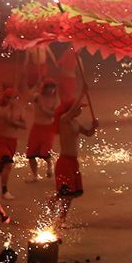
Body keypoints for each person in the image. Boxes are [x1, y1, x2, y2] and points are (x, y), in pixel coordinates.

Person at [48, 84, 98, 228]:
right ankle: (60, 221)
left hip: (73, 162)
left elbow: (88, 133)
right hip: (64, 162)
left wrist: (94, 126)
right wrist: (82, 93)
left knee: (73, 193)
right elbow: (70, 110)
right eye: (78, 107)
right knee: (68, 195)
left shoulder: (75, 123)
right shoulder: (64, 119)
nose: (81, 110)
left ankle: (53, 199)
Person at [0, 88, 27, 200]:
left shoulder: (20, 110)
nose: (14, 100)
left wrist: (15, 122)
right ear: (6, 99)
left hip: (12, 142)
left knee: (2, 168)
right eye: (12, 98)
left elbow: (24, 125)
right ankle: (4, 191)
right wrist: (8, 107)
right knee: (7, 164)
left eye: (16, 98)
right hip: (1, 141)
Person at [25, 79, 59, 182]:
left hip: (48, 128)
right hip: (37, 127)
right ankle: (35, 175)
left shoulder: (56, 99)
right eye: (49, 88)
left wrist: (45, 110)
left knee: (44, 152)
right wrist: (36, 86)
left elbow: (56, 114)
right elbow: (29, 98)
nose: (51, 90)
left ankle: (50, 165)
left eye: (53, 88)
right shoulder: (38, 96)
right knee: (31, 154)